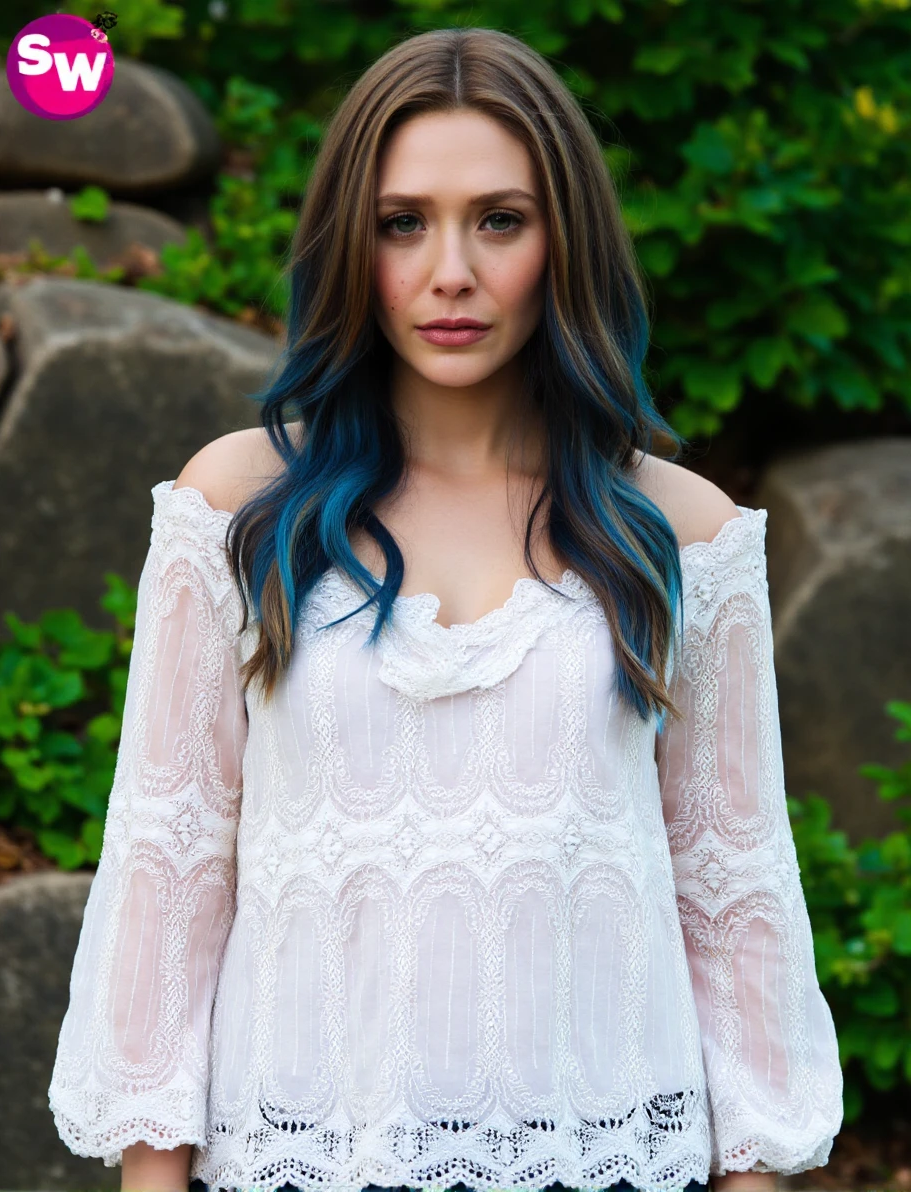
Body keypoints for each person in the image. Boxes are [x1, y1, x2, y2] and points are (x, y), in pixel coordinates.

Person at [47, 25, 843, 1192]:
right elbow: (167, 876)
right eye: (402, 222)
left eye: (501, 220)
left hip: (610, 1155)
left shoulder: (682, 535)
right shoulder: (238, 510)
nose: (450, 271)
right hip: (296, 1157)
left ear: (561, 242)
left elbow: (735, 906)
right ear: (349, 246)